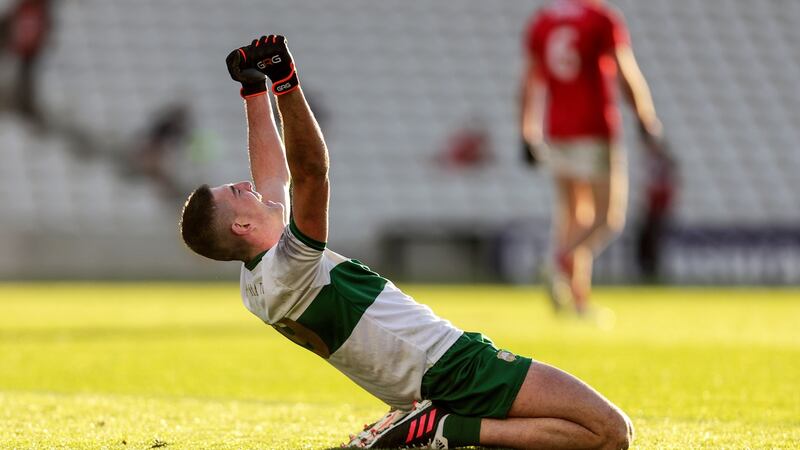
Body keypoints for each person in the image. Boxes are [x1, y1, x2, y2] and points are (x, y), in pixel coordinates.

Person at [180, 34, 632, 449]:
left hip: (415, 382)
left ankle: (427, 423)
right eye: (238, 193)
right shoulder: (291, 263)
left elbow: (272, 177)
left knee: (590, 431)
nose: (247, 184)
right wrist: (286, 83)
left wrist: (253, 91)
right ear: (241, 228)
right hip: (449, 365)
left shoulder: (257, 282)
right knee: (611, 432)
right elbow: (310, 175)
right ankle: (441, 428)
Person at [520, 0, 664, 316]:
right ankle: (559, 260)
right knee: (606, 218)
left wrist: (527, 131)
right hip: (593, 128)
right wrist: (645, 119)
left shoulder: (542, 21)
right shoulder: (601, 18)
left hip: (556, 129)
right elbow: (625, 72)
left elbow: (530, 81)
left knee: (572, 216)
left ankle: (576, 301)